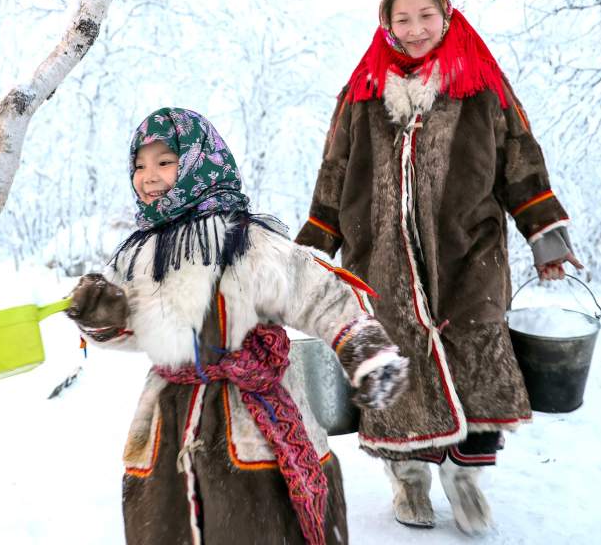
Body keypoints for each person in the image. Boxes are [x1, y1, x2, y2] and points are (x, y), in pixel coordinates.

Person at [294, 0, 583, 536]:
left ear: (445, 15)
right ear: (387, 24)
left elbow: (520, 159)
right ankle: (407, 478)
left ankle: (466, 477)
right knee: (394, 370)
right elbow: (334, 173)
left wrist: (544, 234)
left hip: (469, 255)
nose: (415, 29)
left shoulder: (480, 83)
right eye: (402, 19)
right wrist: (314, 251)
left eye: (426, 16)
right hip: (380, 262)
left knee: (478, 359)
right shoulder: (362, 92)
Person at [65, 107, 410, 545]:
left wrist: (365, 351)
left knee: (254, 524)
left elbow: (317, 293)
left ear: (199, 162)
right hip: (168, 420)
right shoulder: (136, 255)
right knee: (165, 525)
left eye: (164, 162)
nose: (148, 176)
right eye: (139, 165)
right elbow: (132, 330)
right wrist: (100, 314)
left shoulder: (245, 239)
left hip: (250, 415)